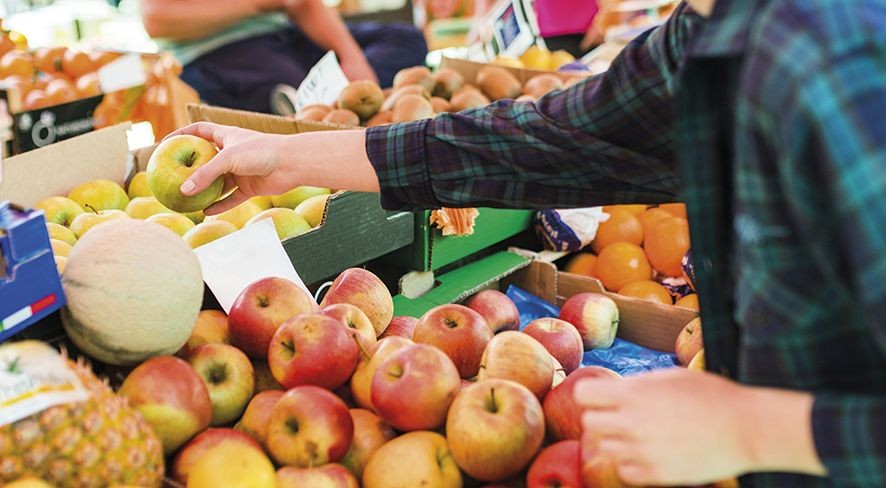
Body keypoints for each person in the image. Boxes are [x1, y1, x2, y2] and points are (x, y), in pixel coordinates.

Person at [169, 0, 885, 485]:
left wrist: (756, 427)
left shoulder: (837, 67)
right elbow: (543, 142)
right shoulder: (707, 39)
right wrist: (286, 160)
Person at [139, 0, 428, 113]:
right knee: (293, 95)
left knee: (406, 39)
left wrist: (352, 58)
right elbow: (156, 19)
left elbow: (302, 4)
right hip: (215, 51)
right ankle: (313, 100)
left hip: (286, 35)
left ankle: (338, 96)